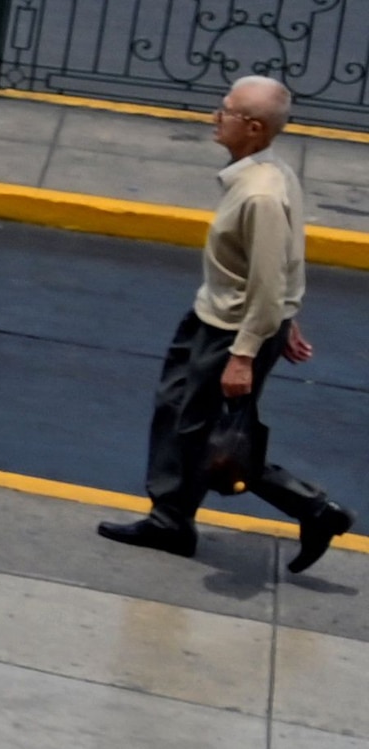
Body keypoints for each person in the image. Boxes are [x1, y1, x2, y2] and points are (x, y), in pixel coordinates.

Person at [102, 73, 347, 563]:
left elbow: (270, 277)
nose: (216, 117)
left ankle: (313, 508)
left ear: (254, 127)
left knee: (210, 436)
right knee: (177, 414)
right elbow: (278, 266)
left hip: (233, 332)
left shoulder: (260, 194)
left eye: (227, 111)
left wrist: (245, 353)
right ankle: (169, 518)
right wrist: (286, 318)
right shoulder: (262, 173)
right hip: (211, 316)